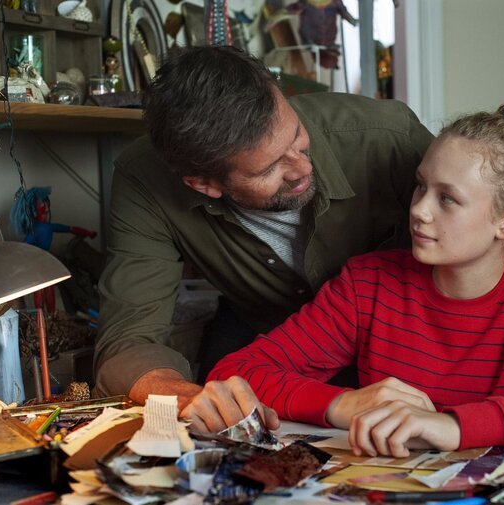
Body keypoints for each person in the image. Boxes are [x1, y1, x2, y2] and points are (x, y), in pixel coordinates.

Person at [204, 104, 504, 455]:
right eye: (420, 186)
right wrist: (341, 404)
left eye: (447, 199)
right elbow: (237, 372)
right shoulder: (369, 284)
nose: (419, 210)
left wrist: (453, 426)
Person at [92, 46, 434, 430]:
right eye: (269, 167)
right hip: (266, 346)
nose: (303, 168)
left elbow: (494, 252)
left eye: (297, 137)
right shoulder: (145, 180)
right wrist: (184, 395)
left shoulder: (387, 138)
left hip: (404, 345)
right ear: (203, 184)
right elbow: (127, 340)